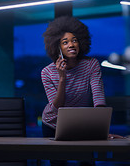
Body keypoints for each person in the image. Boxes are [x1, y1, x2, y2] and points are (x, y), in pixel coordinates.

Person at [41, 16, 106, 166]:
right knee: (59, 163)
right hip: (53, 124)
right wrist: (62, 78)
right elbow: (57, 106)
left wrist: (101, 128)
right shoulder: (47, 72)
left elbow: (98, 97)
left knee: (87, 162)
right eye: (65, 42)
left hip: (82, 124)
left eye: (74, 40)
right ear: (56, 47)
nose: (71, 44)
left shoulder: (91, 65)